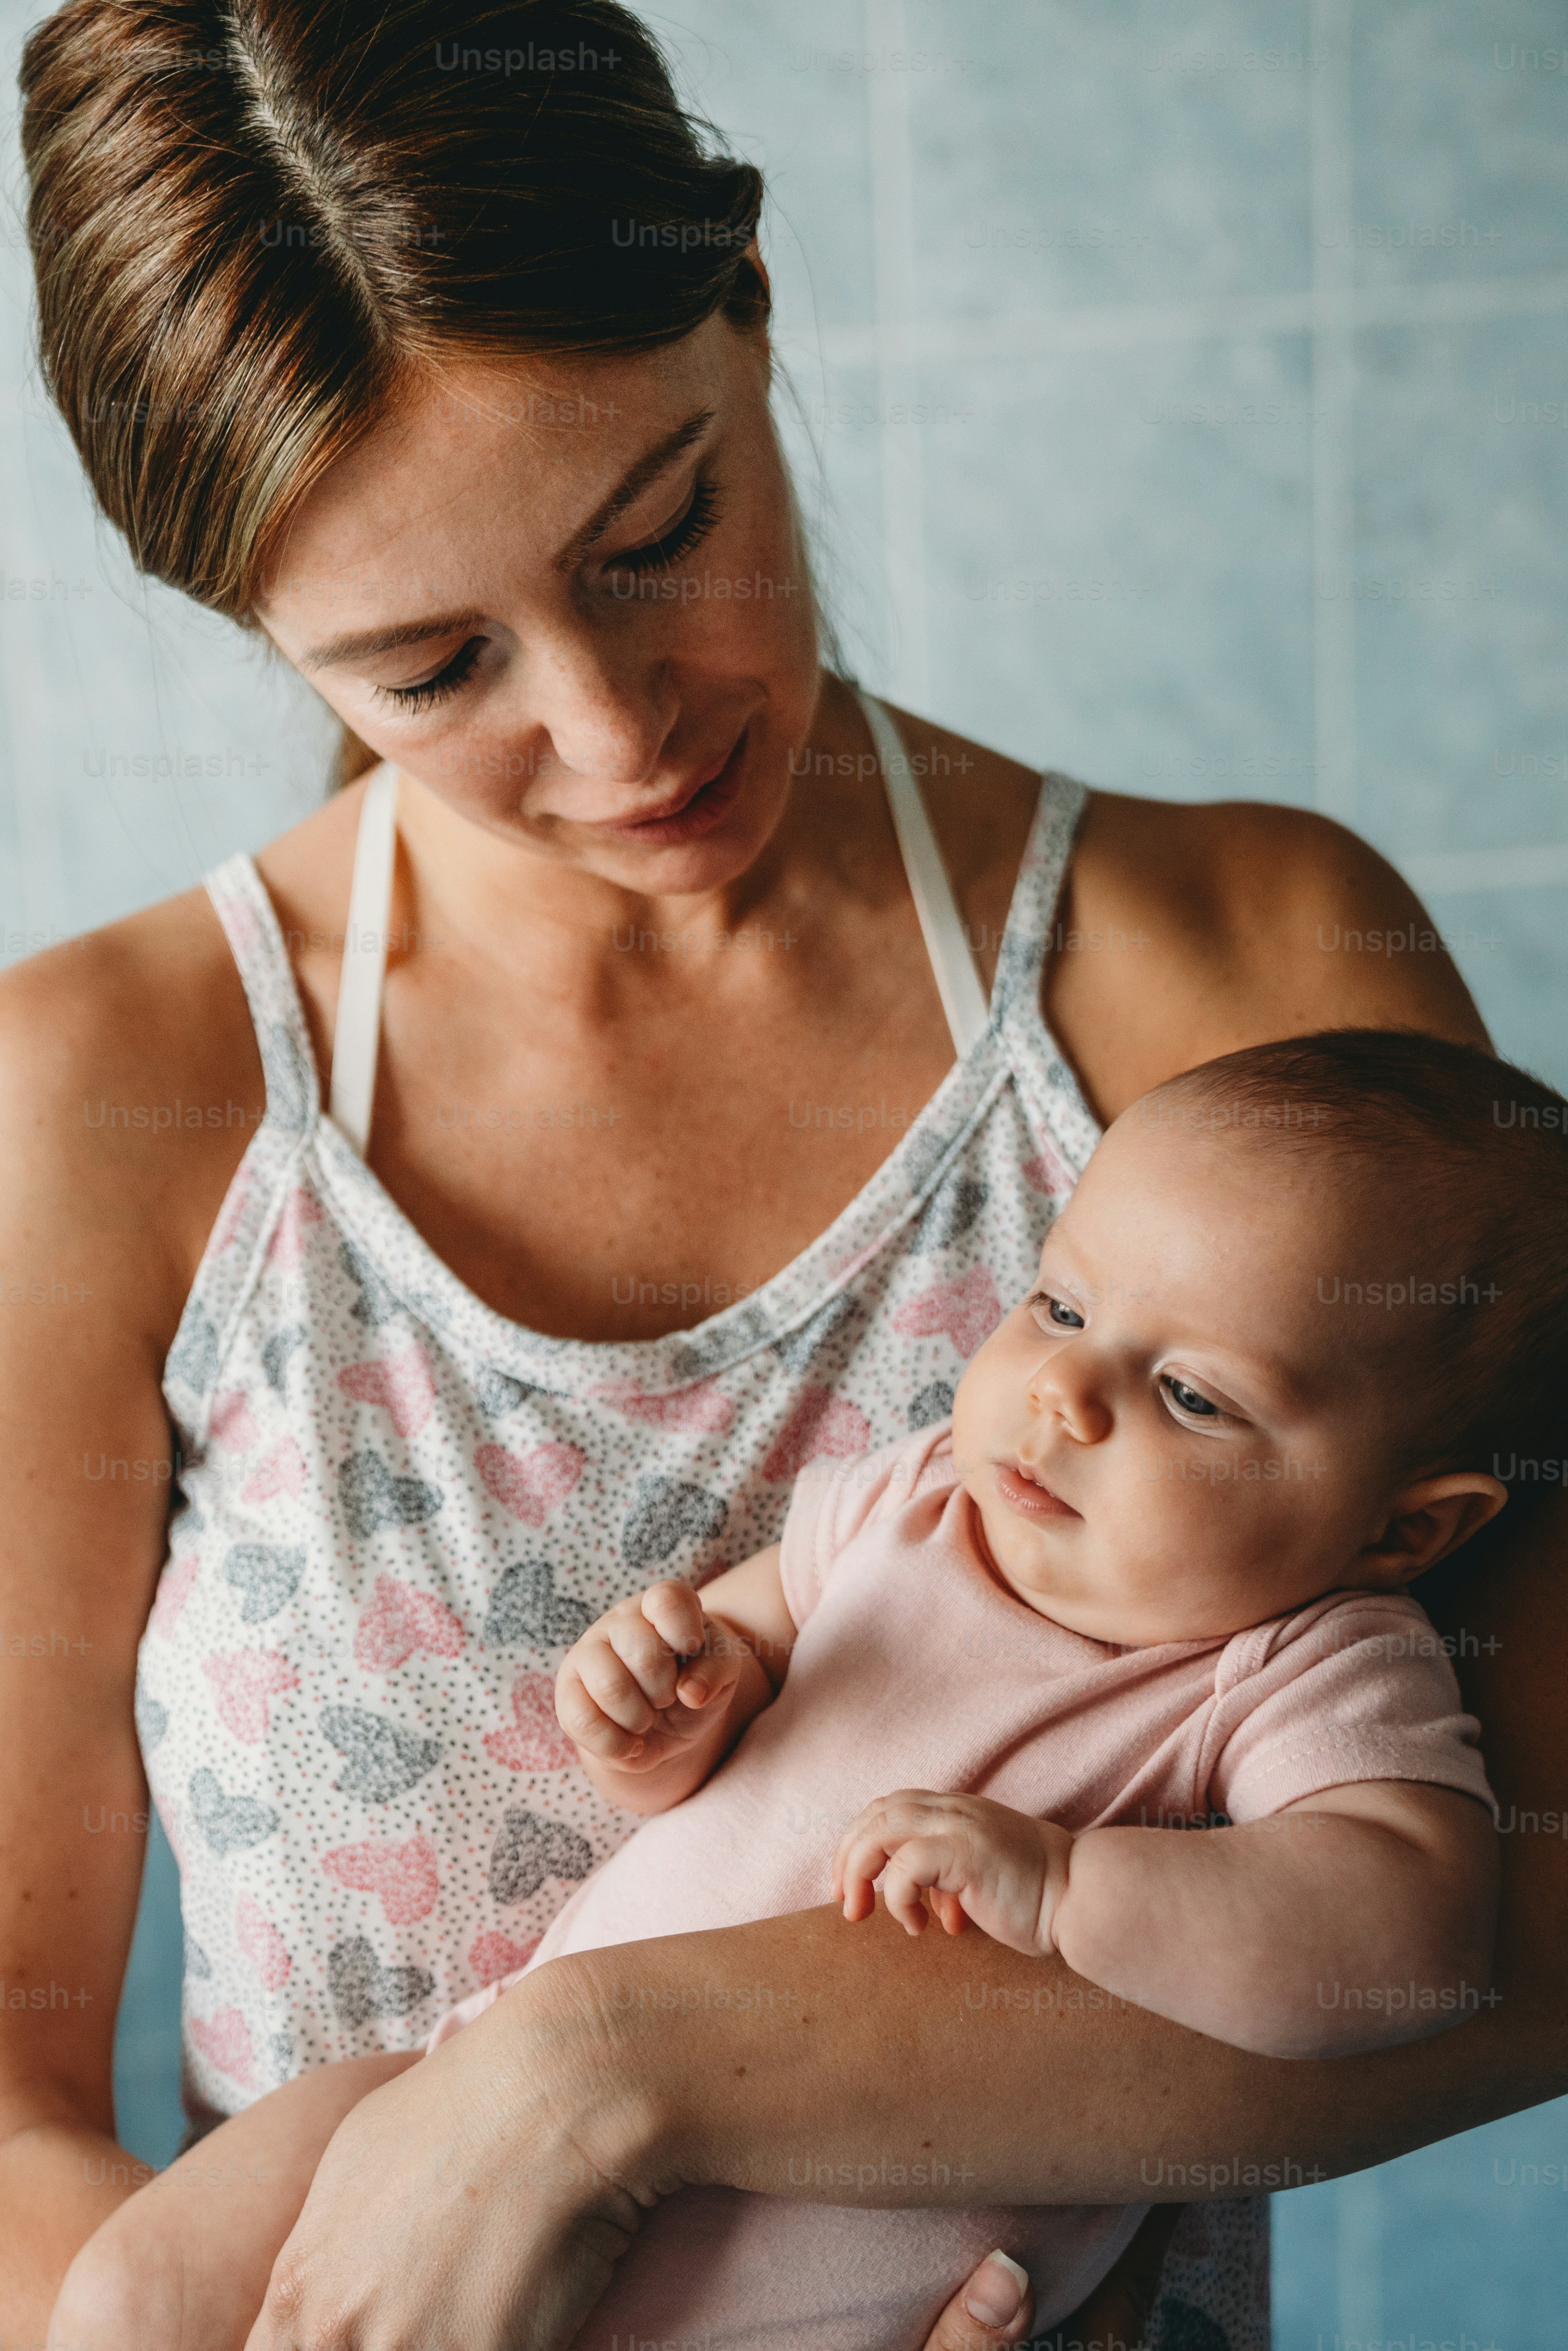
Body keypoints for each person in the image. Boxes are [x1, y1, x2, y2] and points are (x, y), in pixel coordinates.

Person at [6, 5, 1565, 2350]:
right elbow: (12, 2099)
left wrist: (603, 2068)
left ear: (745, 312)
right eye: (428, 669)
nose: (619, 737)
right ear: (252, 626)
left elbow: (1521, 1931)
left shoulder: (1238, 991)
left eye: (660, 535)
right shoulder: (94, 1102)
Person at [66, 1028, 1561, 2349]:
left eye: (1189, 1396)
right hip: (446, 2126)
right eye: (1058, 1306)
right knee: (145, 2288)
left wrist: (1065, 1893)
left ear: (1401, 1530)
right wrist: (661, 1712)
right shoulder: (907, 1504)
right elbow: (726, 1674)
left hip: (816, 2271)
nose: (1064, 1395)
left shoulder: (1302, 1665)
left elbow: (1402, 1942)